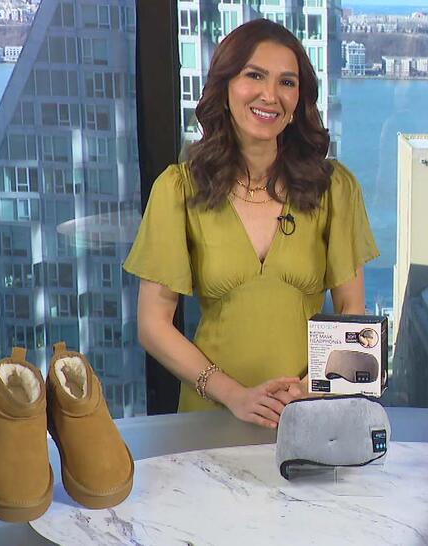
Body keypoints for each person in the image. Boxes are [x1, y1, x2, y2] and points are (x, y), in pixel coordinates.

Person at [124, 20, 378, 427]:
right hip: (209, 415)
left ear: (299, 100)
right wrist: (234, 395)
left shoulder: (334, 189)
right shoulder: (178, 189)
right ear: (225, 88)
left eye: (287, 82)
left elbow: (352, 309)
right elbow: (153, 325)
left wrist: (310, 387)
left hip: (307, 413)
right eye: (254, 75)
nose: (270, 95)